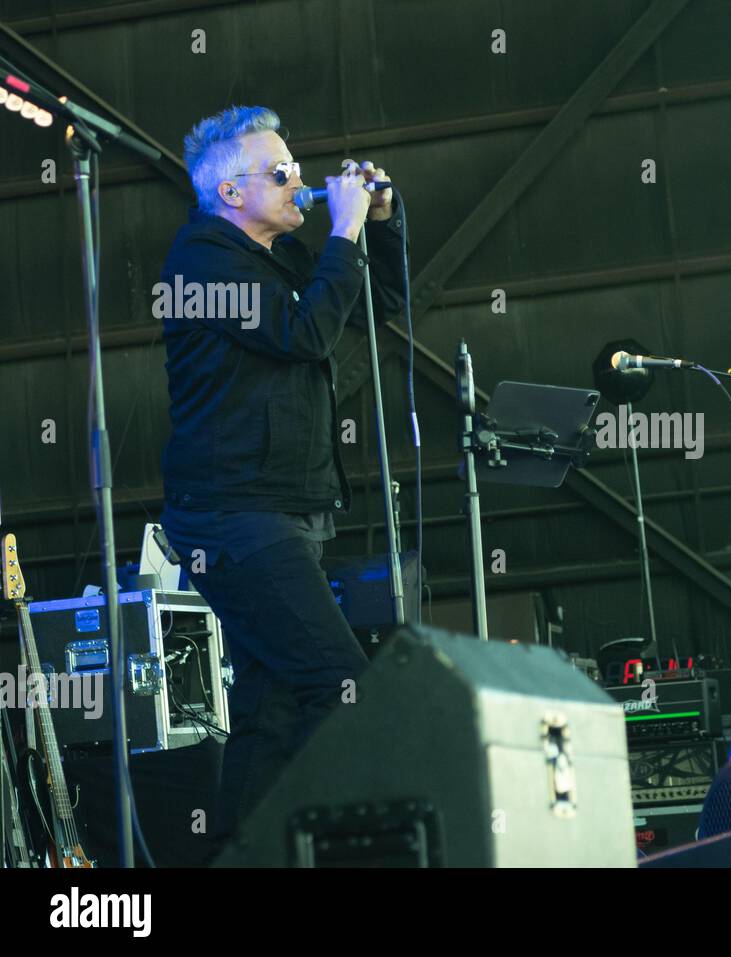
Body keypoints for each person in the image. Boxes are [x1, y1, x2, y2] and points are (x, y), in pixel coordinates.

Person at [156, 105, 405, 852]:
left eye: (297, 167)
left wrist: (379, 226)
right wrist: (344, 232)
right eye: (281, 173)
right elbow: (303, 333)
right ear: (231, 195)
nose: (301, 181)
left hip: (282, 511)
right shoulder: (202, 263)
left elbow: (378, 303)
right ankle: (350, 847)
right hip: (234, 516)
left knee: (268, 709)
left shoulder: (275, 255)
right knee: (341, 684)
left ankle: (242, 852)